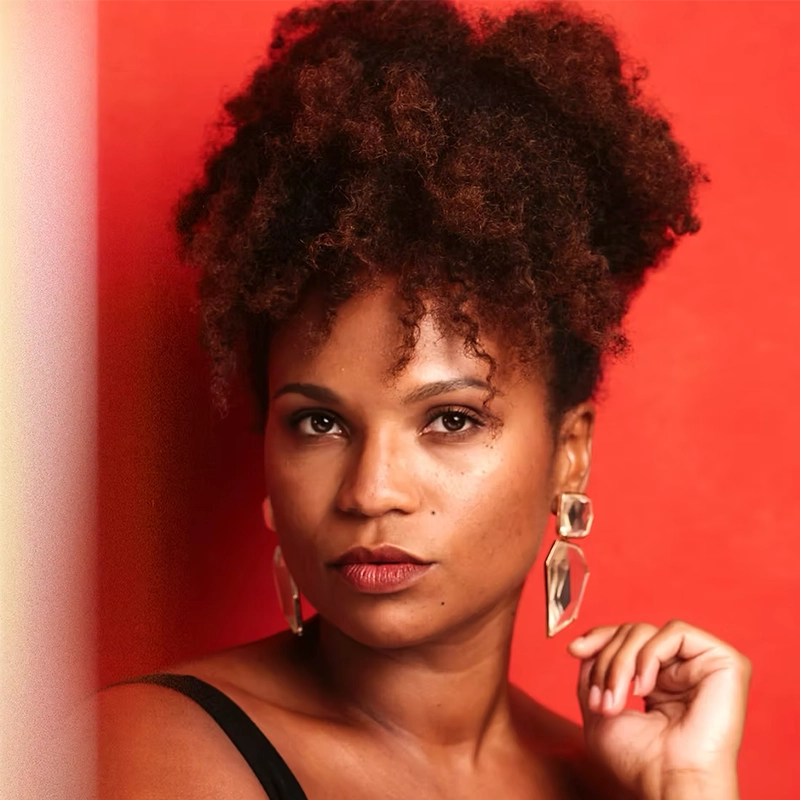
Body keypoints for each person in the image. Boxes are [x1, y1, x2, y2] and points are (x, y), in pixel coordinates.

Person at [96, 2, 751, 798]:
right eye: (320, 422)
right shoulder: (146, 755)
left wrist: (688, 789)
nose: (371, 490)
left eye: (450, 419)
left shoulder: (618, 778)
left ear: (568, 454)